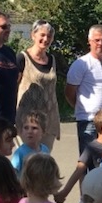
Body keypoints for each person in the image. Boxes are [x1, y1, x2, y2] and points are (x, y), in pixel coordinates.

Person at [65, 25, 102, 203]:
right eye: (97, 40)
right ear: (89, 41)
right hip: (88, 120)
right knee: (87, 161)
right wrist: (83, 110)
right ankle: (85, 201)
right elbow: (70, 92)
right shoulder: (81, 64)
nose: (100, 43)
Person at [16, 20, 63, 150]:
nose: (45, 39)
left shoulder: (53, 59)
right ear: (33, 35)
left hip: (49, 119)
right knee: (27, 159)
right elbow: (13, 87)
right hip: (27, 120)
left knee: (44, 159)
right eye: (42, 35)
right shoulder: (22, 58)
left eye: (49, 36)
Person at [10, 111, 50, 179]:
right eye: (26, 128)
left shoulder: (45, 150)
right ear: (21, 131)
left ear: (43, 132)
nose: (29, 131)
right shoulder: (20, 153)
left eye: (34, 128)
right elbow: (13, 174)